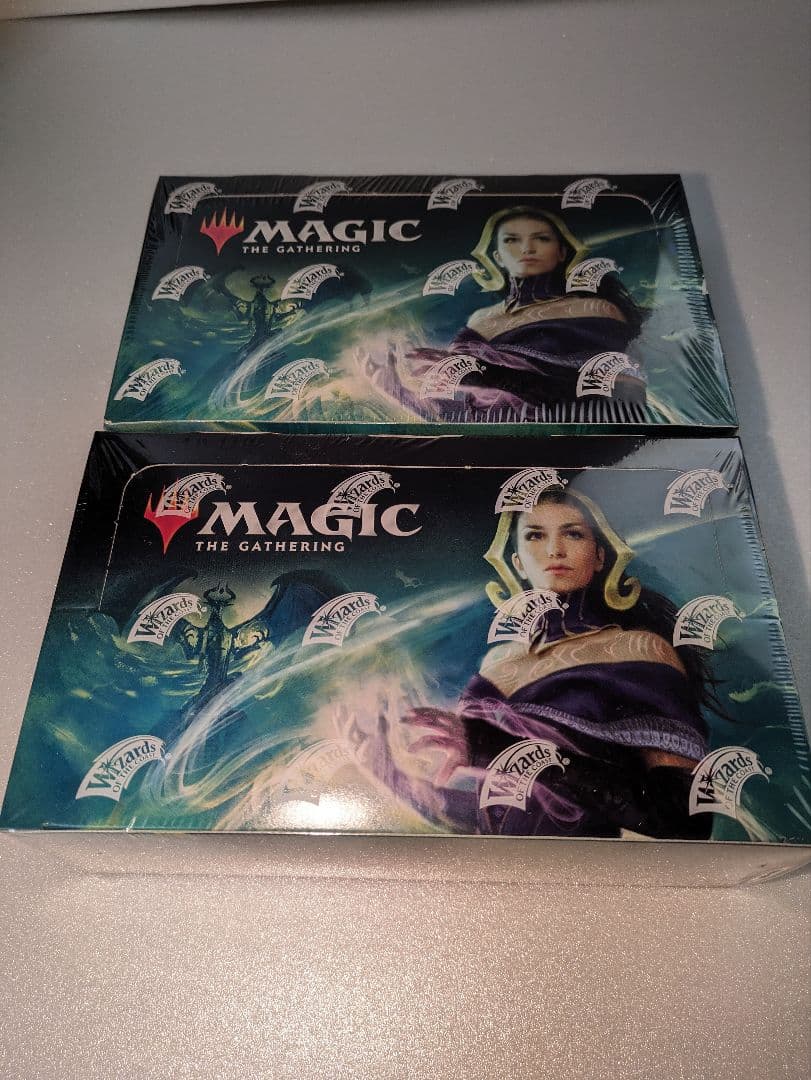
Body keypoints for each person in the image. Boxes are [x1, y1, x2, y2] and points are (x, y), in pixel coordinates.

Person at [338, 486, 714, 840]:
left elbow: (685, 820)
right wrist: (388, 773)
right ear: (517, 561)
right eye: (535, 535)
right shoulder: (496, 664)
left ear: (600, 556)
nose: (554, 550)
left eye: (573, 534)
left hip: (590, 874)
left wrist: (492, 746)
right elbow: (489, 820)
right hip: (497, 874)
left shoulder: (637, 649)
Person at [362, 207, 646, 416]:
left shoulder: (593, 308)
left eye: (541, 238)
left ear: (562, 251)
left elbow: (620, 398)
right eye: (511, 240)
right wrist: (394, 387)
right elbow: (467, 413)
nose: (527, 248)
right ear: (497, 256)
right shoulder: (480, 319)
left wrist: (487, 374)